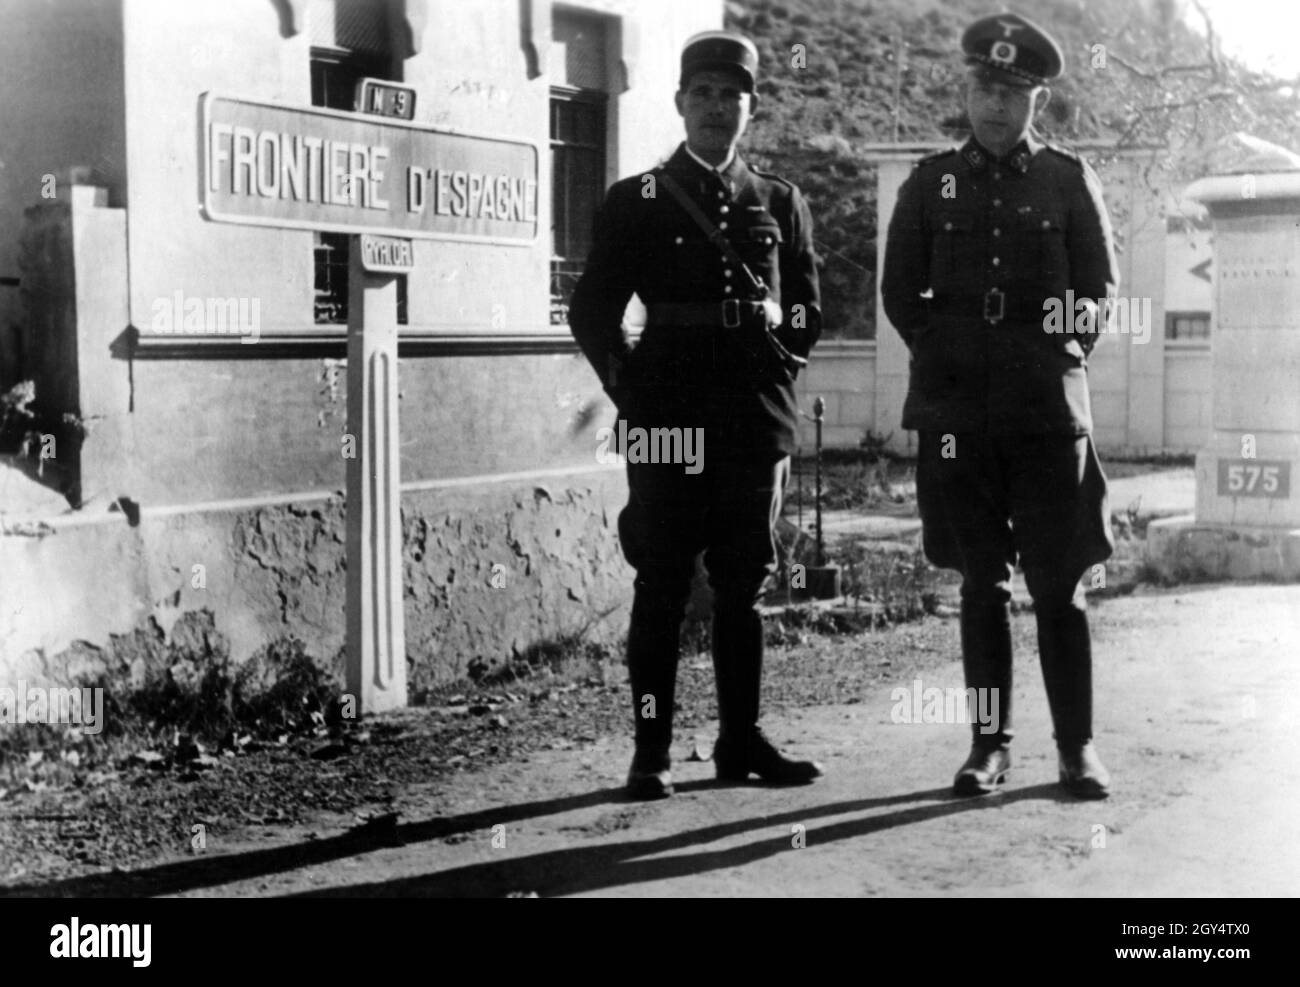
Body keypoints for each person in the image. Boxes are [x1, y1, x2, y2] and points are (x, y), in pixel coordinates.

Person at [569, 30, 824, 799]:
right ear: (680, 104)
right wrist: (633, 395)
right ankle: (651, 749)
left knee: (743, 585)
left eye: (732, 96)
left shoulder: (781, 200)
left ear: (750, 107)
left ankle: (739, 740)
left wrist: (780, 340)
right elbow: (592, 311)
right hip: (668, 416)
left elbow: (810, 310)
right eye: (703, 94)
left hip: (752, 420)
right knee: (663, 582)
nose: (717, 108)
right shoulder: (635, 199)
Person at [881, 12, 1119, 799]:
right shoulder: (927, 181)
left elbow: (1097, 293)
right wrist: (946, 354)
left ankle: (1076, 747)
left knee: (1059, 585)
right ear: (967, 87)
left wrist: (1055, 352)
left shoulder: (1067, 179)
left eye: (1013, 93)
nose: (995, 106)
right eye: (985, 87)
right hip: (957, 419)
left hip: (1048, 414)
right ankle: (989, 746)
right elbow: (898, 293)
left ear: (1037, 101)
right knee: (981, 584)